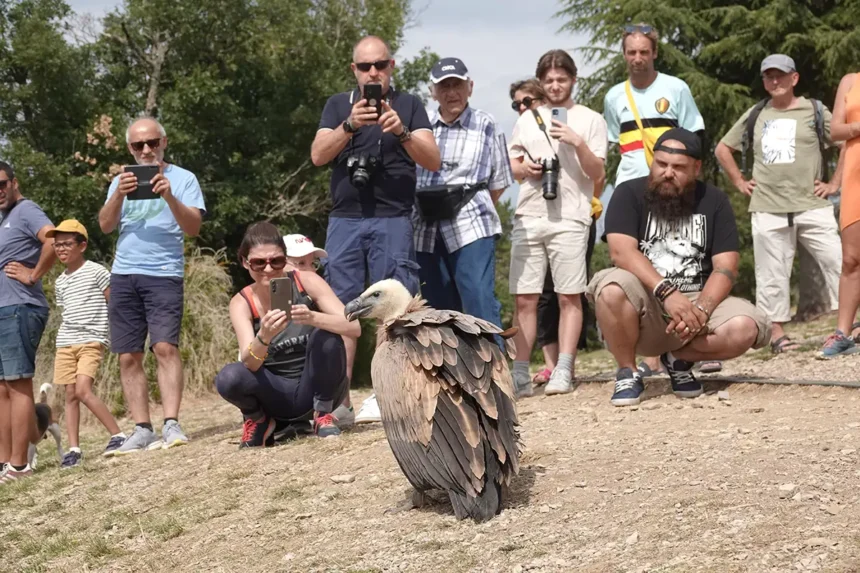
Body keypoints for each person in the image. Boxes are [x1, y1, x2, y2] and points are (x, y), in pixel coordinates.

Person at [589, 128, 771, 406]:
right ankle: (627, 371)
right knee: (611, 288)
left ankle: (678, 361)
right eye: (661, 164)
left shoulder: (715, 201)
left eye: (678, 167)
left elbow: (726, 266)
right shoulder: (628, 193)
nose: (667, 172)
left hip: (696, 304)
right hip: (646, 305)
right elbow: (621, 252)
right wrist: (666, 291)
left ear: (696, 168)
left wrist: (703, 308)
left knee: (746, 327)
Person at [311, 35, 440, 424]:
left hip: (392, 219)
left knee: (397, 311)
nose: (373, 73)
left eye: (380, 65)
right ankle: (339, 402)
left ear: (391, 66)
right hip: (345, 220)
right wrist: (349, 125)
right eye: (365, 66)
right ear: (354, 69)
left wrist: (401, 132)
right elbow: (318, 155)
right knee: (340, 307)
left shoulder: (410, 105)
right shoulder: (338, 105)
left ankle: (394, 394)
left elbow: (433, 160)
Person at [602, 23, 721, 375]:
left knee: (674, 259)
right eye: (631, 52)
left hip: (670, 185)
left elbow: (693, 136)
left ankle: (679, 343)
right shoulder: (613, 96)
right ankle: (648, 353)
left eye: (644, 51)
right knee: (636, 264)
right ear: (624, 55)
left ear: (654, 53)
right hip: (632, 187)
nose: (637, 58)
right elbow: (616, 142)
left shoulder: (675, 88)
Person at [715, 54, 844, 355]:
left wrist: (835, 183)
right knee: (771, 274)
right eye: (769, 76)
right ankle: (777, 336)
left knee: (839, 262)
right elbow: (723, 148)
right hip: (767, 206)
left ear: (794, 78)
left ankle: (849, 325)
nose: (775, 81)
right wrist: (739, 181)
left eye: (781, 75)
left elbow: (844, 142)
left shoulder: (814, 110)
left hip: (812, 203)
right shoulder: (756, 114)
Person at [98, 116, 206, 454]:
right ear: (129, 148)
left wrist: (170, 197)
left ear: (164, 142)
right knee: (127, 354)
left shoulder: (184, 178)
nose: (146, 150)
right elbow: (104, 225)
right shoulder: (120, 181)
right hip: (124, 273)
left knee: (164, 347)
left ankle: (171, 422)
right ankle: (142, 428)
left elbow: (193, 228)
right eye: (138, 145)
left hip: (163, 273)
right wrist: (118, 195)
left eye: (152, 143)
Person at [507, 50, 607, 398]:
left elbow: (597, 174)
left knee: (569, 295)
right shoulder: (527, 118)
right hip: (530, 215)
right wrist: (526, 170)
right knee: (525, 298)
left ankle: (564, 367)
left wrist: (577, 142)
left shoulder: (591, 119)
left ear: (573, 79)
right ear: (541, 82)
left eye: (561, 79)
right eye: (549, 80)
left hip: (571, 216)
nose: (555, 85)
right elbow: (512, 165)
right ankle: (520, 370)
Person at [214, 222, 360, 446]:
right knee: (228, 377)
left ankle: (322, 415)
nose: (269, 269)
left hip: (319, 388)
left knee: (327, 337)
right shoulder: (241, 303)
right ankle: (259, 420)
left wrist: (313, 318)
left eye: (277, 261)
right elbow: (249, 363)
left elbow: (353, 327)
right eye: (259, 263)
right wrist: (263, 337)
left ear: (286, 259)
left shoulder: (306, 281)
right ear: (245, 262)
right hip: (276, 394)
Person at [413, 57, 513, 331]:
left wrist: (463, 205)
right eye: (444, 86)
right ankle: (448, 373)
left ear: (470, 86)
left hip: (471, 225)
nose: (451, 92)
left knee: (478, 300)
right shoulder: (420, 124)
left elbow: (500, 182)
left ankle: (495, 370)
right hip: (425, 229)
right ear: (433, 91)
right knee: (435, 311)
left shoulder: (487, 124)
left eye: (457, 84)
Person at [47, 220, 126, 468]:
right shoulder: (60, 281)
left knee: (82, 390)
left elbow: (113, 303)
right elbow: (66, 311)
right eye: (57, 245)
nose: (61, 249)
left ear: (82, 246)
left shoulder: (97, 271)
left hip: (91, 340)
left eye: (67, 244)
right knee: (70, 395)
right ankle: (74, 449)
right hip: (65, 342)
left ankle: (118, 434)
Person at [0, 162, 56, 483]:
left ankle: (19, 466)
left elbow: (52, 239)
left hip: (21, 307)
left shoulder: (26, 210)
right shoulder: (4, 220)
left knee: (18, 385)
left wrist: (33, 275)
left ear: (14, 182)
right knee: (2, 390)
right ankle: (5, 461)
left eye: (1, 184)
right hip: (2, 309)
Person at [819, 72, 860, 357]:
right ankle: (842, 333)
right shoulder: (850, 81)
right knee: (851, 259)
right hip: (855, 177)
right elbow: (835, 131)